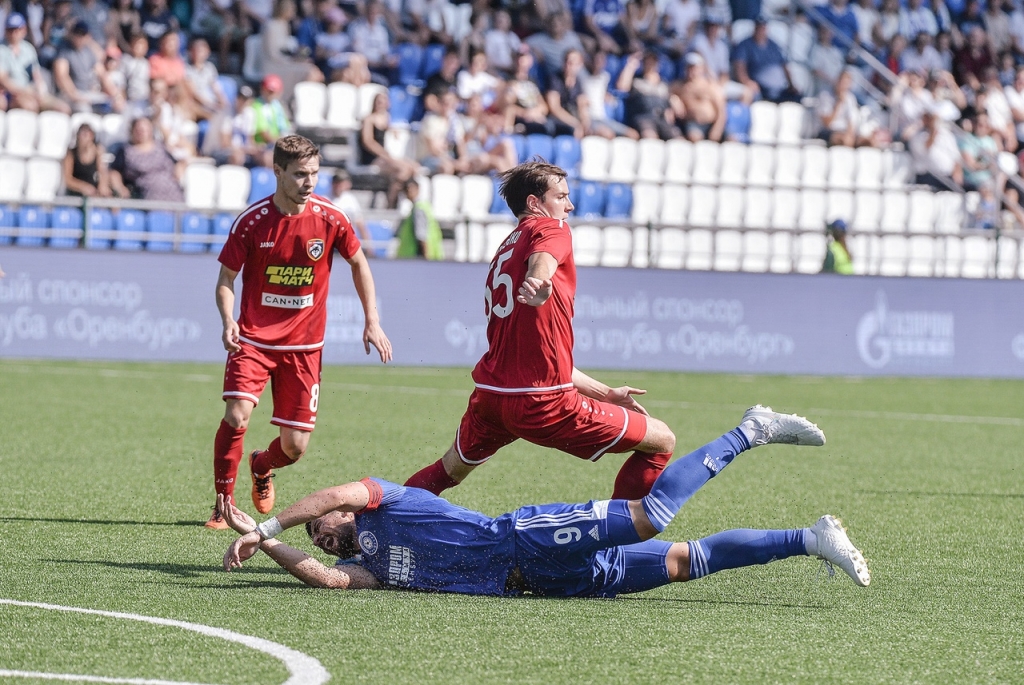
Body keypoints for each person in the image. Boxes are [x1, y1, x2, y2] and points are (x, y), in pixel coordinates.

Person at [218, 406, 871, 596]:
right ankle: (810, 537)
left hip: (525, 538)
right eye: (319, 536)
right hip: (539, 582)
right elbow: (329, 579)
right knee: (682, 561)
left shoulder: (386, 502)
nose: (323, 534)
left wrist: (273, 518)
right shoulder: (373, 566)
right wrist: (270, 541)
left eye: (322, 526)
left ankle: (746, 431)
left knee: (649, 516)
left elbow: (336, 492)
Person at [404, 161, 678, 500]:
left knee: (447, 471)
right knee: (662, 441)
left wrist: (604, 393)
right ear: (535, 203)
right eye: (561, 196)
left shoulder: (505, 246)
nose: (570, 206)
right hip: (542, 402)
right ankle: (617, 544)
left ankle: (373, 531)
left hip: (492, 397)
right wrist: (540, 280)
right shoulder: (551, 227)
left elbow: (542, 352)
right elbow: (543, 260)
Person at [205, 134, 393, 530]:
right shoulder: (253, 222)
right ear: (277, 172)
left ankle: (261, 464)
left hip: (305, 347)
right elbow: (226, 278)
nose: (310, 182)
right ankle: (223, 504)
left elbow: (360, 264)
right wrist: (228, 319)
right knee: (237, 415)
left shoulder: (330, 217)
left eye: (314, 174)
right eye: (300, 175)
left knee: (295, 447)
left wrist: (371, 319)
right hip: (253, 339)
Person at [0, 12, 71, 113]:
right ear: (6, 31)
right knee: (30, 106)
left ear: (24, 30)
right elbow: (3, 80)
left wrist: (40, 90)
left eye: (17, 29)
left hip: (30, 91)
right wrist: (24, 92)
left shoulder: (28, 49)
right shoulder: (2, 49)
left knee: (63, 108)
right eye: (10, 29)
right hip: (11, 94)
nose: (14, 33)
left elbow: (36, 75)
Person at [108, 116, 185, 201]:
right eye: (139, 130)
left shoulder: (162, 147)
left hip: (172, 193)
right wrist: (119, 187)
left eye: (145, 129)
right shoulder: (126, 151)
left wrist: (179, 167)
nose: (141, 132)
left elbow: (182, 159)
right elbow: (115, 171)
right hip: (145, 195)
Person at [673, 52, 726, 142]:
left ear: (701, 69)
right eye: (689, 68)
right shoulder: (679, 86)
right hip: (693, 124)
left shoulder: (710, 86)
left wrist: (717, 129)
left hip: (711, 123)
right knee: (694, 136)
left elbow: (721, 110)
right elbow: (667, 93)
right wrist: (674, 99)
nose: (691, 71)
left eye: (694, 68)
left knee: (732, 139)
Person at [396, 178, 443, 260]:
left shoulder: (419, 209)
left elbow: (421, 235)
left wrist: (426, 257)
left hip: (415, 255)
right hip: (429, 254)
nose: (408, 192)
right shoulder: (425, 206)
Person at [63, 122, 113, 197]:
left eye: (87, 134)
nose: (85, 137)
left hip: (93, 190)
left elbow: (102, 171)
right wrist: (83, 187)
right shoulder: (71, 154)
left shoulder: (97, 151)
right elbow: (68, 179)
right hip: (76, 192)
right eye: (82, 134)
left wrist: (102, 186)